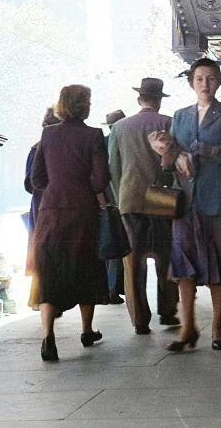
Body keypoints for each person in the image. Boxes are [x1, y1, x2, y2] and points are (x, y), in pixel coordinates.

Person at [149, 58, 221, 351]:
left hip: (219, 197)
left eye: (210, 78)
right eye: (199, 79)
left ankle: (218, 326)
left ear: (218, 81)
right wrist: (168, 152)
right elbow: (171, 153)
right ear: (191, 83)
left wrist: (212, 151)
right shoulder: (180, 115)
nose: (205, 84)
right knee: (183, 262)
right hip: (185, 200)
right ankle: (188, 327)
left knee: (218, 262)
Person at [29, 85, 110, 362]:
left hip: (51, 211)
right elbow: (101, 180)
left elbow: (37, 179)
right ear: (84, 105)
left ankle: (48, 337)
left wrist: (57, 188)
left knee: (50, 270)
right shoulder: (93, 136)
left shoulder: (48, 135)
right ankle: (86, 330)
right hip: (83, 211)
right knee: (85, 266)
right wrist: (82, 188)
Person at [108, 78, 180, 335]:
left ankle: (140, 320)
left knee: (133, 262)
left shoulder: (119, 127)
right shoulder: (169, 123)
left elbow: (113, 167)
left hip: (130, 199)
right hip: (162, 198)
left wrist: (120, 197)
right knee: (165, 257)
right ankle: (168, 311)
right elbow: (176, 164)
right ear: (159, 100)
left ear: (140, 99)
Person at [24, 107, 60, 275]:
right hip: (61, 204)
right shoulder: (66, 148)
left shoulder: (36, 148)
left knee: (41, 251)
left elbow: (29, 183)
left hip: (40, 205)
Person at [101, 109, 127, 305]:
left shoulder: (102, 142)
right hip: (124, 198)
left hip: (106, 200)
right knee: (122, 246)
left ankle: (111, 289)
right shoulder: (126, 139)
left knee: (110, 246)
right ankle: (113, 289)